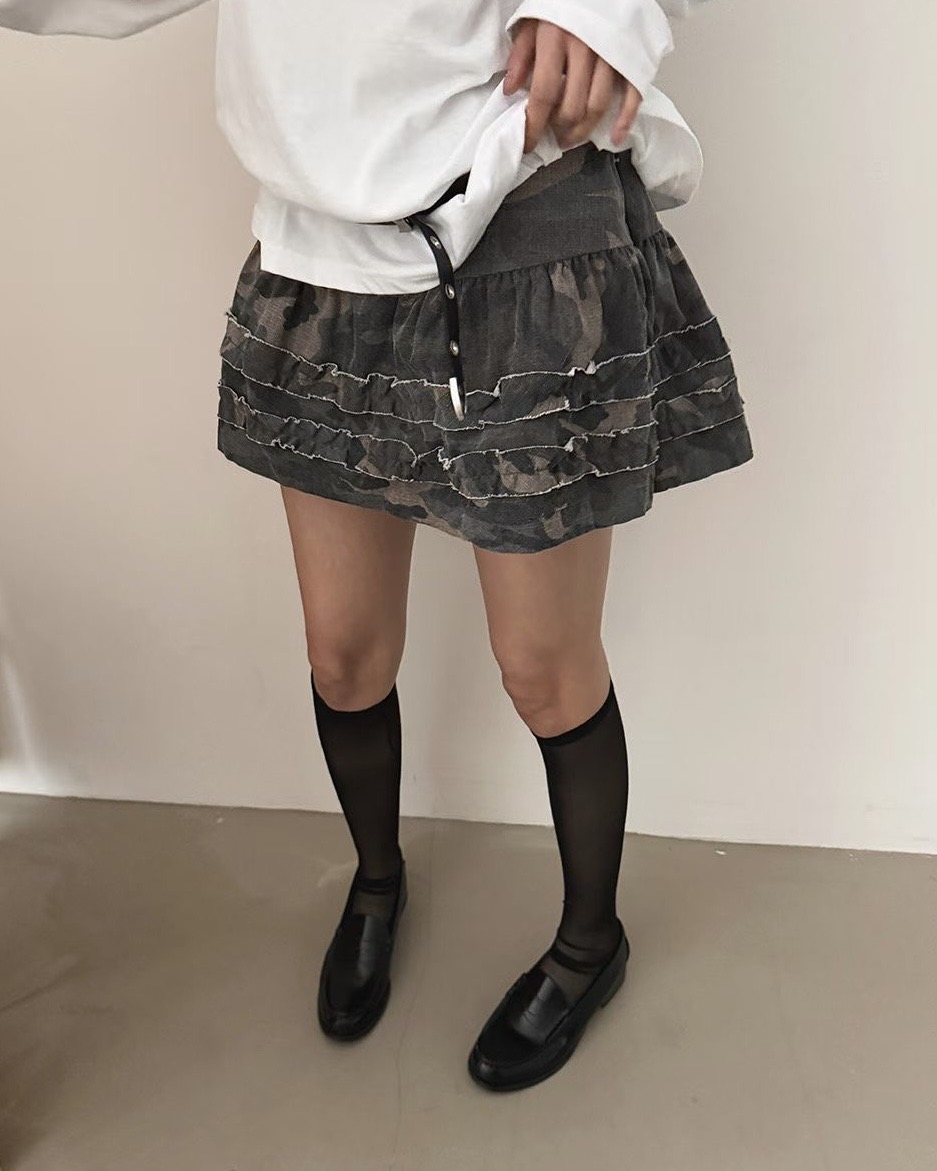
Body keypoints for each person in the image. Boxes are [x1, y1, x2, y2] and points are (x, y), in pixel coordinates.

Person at [2, 0, 753, 1092]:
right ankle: (375, 881)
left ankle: (591, 944)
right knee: (344, 655)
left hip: (522, 216)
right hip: (322, 250)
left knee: (543, 670)